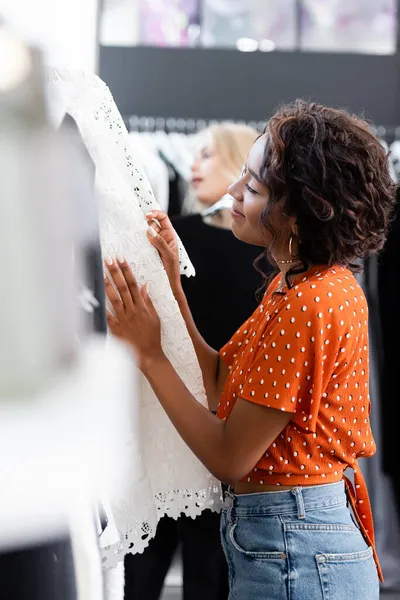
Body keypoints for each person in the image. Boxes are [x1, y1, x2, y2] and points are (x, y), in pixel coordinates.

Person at [104, 100, 396, 600]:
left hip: (299, 548)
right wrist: (174, 286)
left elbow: (230, 456)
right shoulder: (299, 284)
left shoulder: (309, 302)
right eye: (243, 175)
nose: (235, 192)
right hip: (288, 539)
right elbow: (220, 381)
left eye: (255, 187)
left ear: (302, 213)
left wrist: (151, 355)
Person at [124, 122, 261, 600]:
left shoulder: (271, 260)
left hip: (228, 420)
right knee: (147, 554)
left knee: (207, 559)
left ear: (240, 166)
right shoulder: (173, 238)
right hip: (168, 410)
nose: (193, 166)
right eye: (194, 155)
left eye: (207, 155)